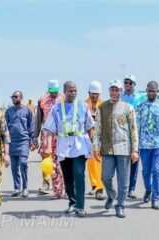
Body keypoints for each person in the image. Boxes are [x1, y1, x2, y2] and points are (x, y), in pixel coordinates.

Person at [44, 81, 94, 217]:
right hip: (63, 146)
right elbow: (49, 129)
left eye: (75, 90)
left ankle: (80, 206)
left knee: (78, 174)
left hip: (79, 146)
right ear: (64, 92)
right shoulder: (56, 108)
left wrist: (92, 144)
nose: (73, 93)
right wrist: (48, 146)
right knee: (67, 176)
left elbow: (90, 126)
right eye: (70, 91)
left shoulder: (83, 106)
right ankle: (72, 202)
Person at [93, 79, 139, 218]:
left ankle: (120, 205)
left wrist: (135, 150)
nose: (114, 92)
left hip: (124, 149)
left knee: (123, 181)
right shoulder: (102, 107)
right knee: (105, 177)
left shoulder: (127, 107)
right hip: (107, 148)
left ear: (120, 91)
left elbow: (133, 129)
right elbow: (97, 128)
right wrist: (95, 146)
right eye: (112, 90)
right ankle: (111, 195)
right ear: (109, 91)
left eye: (117, 90)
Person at [136, 81, 159, 210]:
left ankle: (155, 198)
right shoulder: (140, 106)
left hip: (158, 143)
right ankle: (148, 189)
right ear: (146, 91)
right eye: (149, 90)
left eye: (154, 91)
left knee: (156, 170)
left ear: (157, 91)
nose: (151, 93)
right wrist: (135, 143)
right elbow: (137, 126)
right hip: (144, 144)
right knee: (146, 171)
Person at [33, 79, 65, 198]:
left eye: (56, 90)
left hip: (61, 135)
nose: (54, 93)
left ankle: (66, 188)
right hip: (47, 136)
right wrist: (35, 137)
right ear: (48, 89)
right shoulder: (42, 100)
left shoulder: (63, 98)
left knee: (62, 163)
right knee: (49, 163)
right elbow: (38, 120)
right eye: (52, 91)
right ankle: (52, 187)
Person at [5, 91, 34, 198]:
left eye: (15, 96)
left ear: (21, 97)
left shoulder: (27, 110)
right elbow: (5, 128)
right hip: (12, 142)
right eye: (12, 97)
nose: (13, 98)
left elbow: (31, 126)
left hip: (24, 141)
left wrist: (33, 140)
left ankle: (25, 188)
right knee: (14, 167)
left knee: (23, 163)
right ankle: (17, 188)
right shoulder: (8, 111)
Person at [120, 74, 145, 199]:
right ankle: (123, 188)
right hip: (122, 134)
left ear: (135, 84)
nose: (128, 85)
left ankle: (131, 189)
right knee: (123, 163)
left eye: (130, 83)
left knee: (134, 162)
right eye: (126, 82)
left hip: (136, 133)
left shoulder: (141, 98)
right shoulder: (119, 97)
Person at [85, 81, 105, 200]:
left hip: (100, 138)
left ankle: (99, 188)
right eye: (93, 94)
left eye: (97, 94)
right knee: (90, 163)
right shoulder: (83, 105)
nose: (94, 96)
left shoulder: (103, 105)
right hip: (87, 139)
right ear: (89, 93)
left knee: (99, 163)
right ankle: (94, 184)